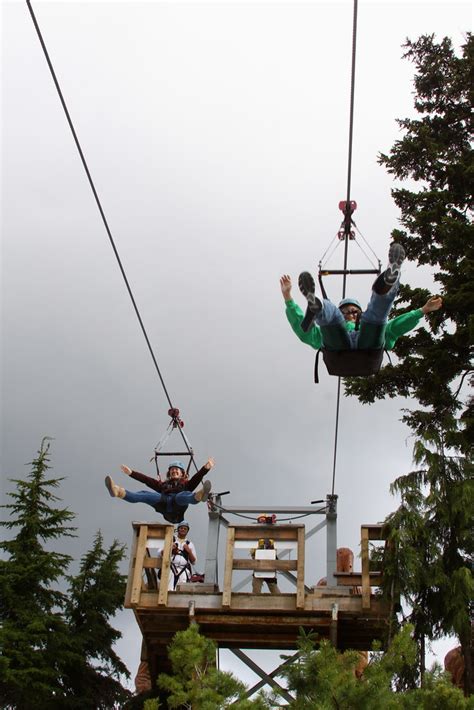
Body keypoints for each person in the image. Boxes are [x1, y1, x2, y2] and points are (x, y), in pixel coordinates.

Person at [281, 242, 443, 353]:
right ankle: (318, 307)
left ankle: (388, 282)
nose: (350, 314)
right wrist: (288, 299)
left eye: (353, 312)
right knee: (332, 318)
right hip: (339, 345)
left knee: (375, 317)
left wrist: (422, 311)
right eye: (346, 312)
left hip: (367, 343)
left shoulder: (365, 323)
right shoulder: (326, 332)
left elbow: (396, 326)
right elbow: (304, 332)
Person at [104, 458, 215, 524]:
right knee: (145, 494)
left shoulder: (186, 484)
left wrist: (206, 468)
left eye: (177, 469)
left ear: (182, 473)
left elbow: (197, 477)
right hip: (164, 505)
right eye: (172, 470)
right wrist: (131, 473)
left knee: (182, 496)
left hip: (177, 511)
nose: (174, 471)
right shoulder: (163, 485)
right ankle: (118, 491)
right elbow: (146, 480)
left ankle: (199, 495)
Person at [159, 521, 197, 590]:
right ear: (178, 529)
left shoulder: (189, 544)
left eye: (185, 529)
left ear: (187, 531)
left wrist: (189, 551)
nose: (183, 529)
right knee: (168, 588)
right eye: (181, 528)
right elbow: (160, 554)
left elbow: (194, 561)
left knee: (181, 590)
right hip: (171, 568)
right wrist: (170, 549)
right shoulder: (170, 540)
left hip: (183, 570)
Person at [251, 514, 281, 595]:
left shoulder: (271, 534)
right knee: (256, 587)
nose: (262, 522)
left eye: (263, 520)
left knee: (272, 586)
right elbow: (252, 552)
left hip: (269, 563)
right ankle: (254, 603)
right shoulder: (256, 535)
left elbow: (276, 536)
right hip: (259, 564)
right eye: (260, 520)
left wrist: (273, 523)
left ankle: (279, 602)